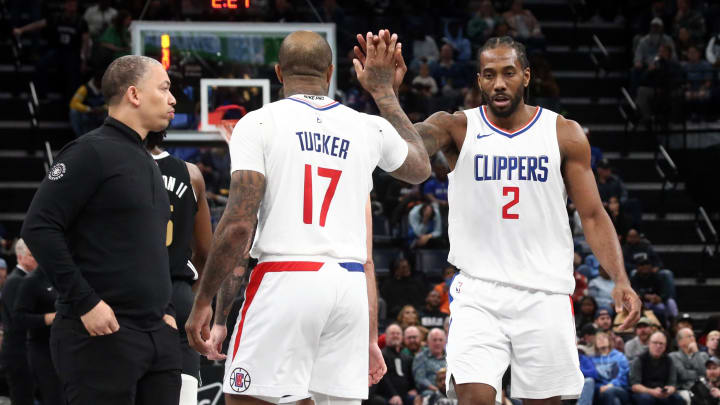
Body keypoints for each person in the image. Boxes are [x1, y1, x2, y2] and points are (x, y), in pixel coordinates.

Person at [356, 34, 642, 405]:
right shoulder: (456, 127)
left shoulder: (563, 133)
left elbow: (592, 214)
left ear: (525, 76)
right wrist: (385, 95)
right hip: (479, 292)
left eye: (508, 73)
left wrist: (620, 278)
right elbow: (409, 159)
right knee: (473, 398)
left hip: (544, 293)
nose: (499, 83)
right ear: (479, 81)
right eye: (489, 75)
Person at [185, 30, 431, 405]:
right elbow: (419, 167)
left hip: (288, 275)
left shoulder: (259, 122)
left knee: (244, 397)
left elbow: (237, 226)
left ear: (279, 72)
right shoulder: (367, 126)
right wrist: (383, 92)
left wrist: (204, 301)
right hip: (348, 287)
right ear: (330, 72)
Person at [21, 55, 182, 404]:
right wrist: (85, 302)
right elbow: (38, 227)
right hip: (102, 334)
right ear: (134, 95)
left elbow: (148, 249)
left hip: (156, 335)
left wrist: (166, 310)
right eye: (165, 88)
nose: (173, 99)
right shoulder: (88, 151)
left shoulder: (146, 161)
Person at [145, 131, 213, 405]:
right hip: (177, 291)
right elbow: (206, 251)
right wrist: (192, 292)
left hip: (127, 295)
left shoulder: (112, 167)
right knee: (183, 393)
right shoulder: (191, 174)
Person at [13, 259, 62, 405]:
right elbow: (18, 318)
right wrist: (49, 318)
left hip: (63, 347)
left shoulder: (62, 277)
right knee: (54, 398)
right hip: (42, 349)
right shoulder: (31, 281)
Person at [0, 239, 38, 405]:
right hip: (18, 352)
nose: (36, 259)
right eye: (31, 255)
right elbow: (19, 319)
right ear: (20, 257)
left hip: (22, 350)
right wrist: (47, 318)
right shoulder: (17, 281)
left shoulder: (22, 279)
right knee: (22, 397)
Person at [630, 331, 683, 405]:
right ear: (649, 343)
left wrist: (668, 390)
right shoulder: (639, 360)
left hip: (662, 392)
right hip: (644, 392)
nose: (658, 346)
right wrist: (652, 391)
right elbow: (635, 386)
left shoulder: (669, 360)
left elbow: (672, 384)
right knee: (647, 399)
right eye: (655, 343)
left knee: (678, 399)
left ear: (665, 347)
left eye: (661, 344)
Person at [379, 324, 418, 405]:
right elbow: (384, 378)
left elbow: (410, 377)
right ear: (386, 336)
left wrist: (413, 389)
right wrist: (393, 395)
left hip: (404, 394)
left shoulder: (406, 357)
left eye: (398, 333)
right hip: (387, 395)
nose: (395, 336)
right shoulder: (381, 355)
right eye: (392, 333)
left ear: (402, 337)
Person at [670, 328, 710, 405]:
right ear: (679, 341)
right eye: (689, 336)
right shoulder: (673, 356)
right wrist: (699, 374)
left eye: (693, 336)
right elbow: (683, 374)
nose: (693, 338)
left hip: (703, 389)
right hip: (684, 389)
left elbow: (706, 373)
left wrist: (696, 353)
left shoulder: (703, 355)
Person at [592, 332, 631, 405]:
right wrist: (600, 387)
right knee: (615, 401)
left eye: (604, 338)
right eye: (599, 339)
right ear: (595, 344)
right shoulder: (592, 360)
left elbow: (623, 376)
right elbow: (593, 378)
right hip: (601, 391)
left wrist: (611, 385)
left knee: (610, 392)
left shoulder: (619, 356)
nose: (602, 340)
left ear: (609, 341)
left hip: (620, 389)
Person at [413, 328, 448, 397]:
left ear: (445, 342)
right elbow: (420, 379)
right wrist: (437, 390)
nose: (437, 343)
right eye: (434, 340)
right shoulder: (420, 357)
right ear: (428, 342)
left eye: (440, 340)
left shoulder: (451, 357)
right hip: (430, 392)